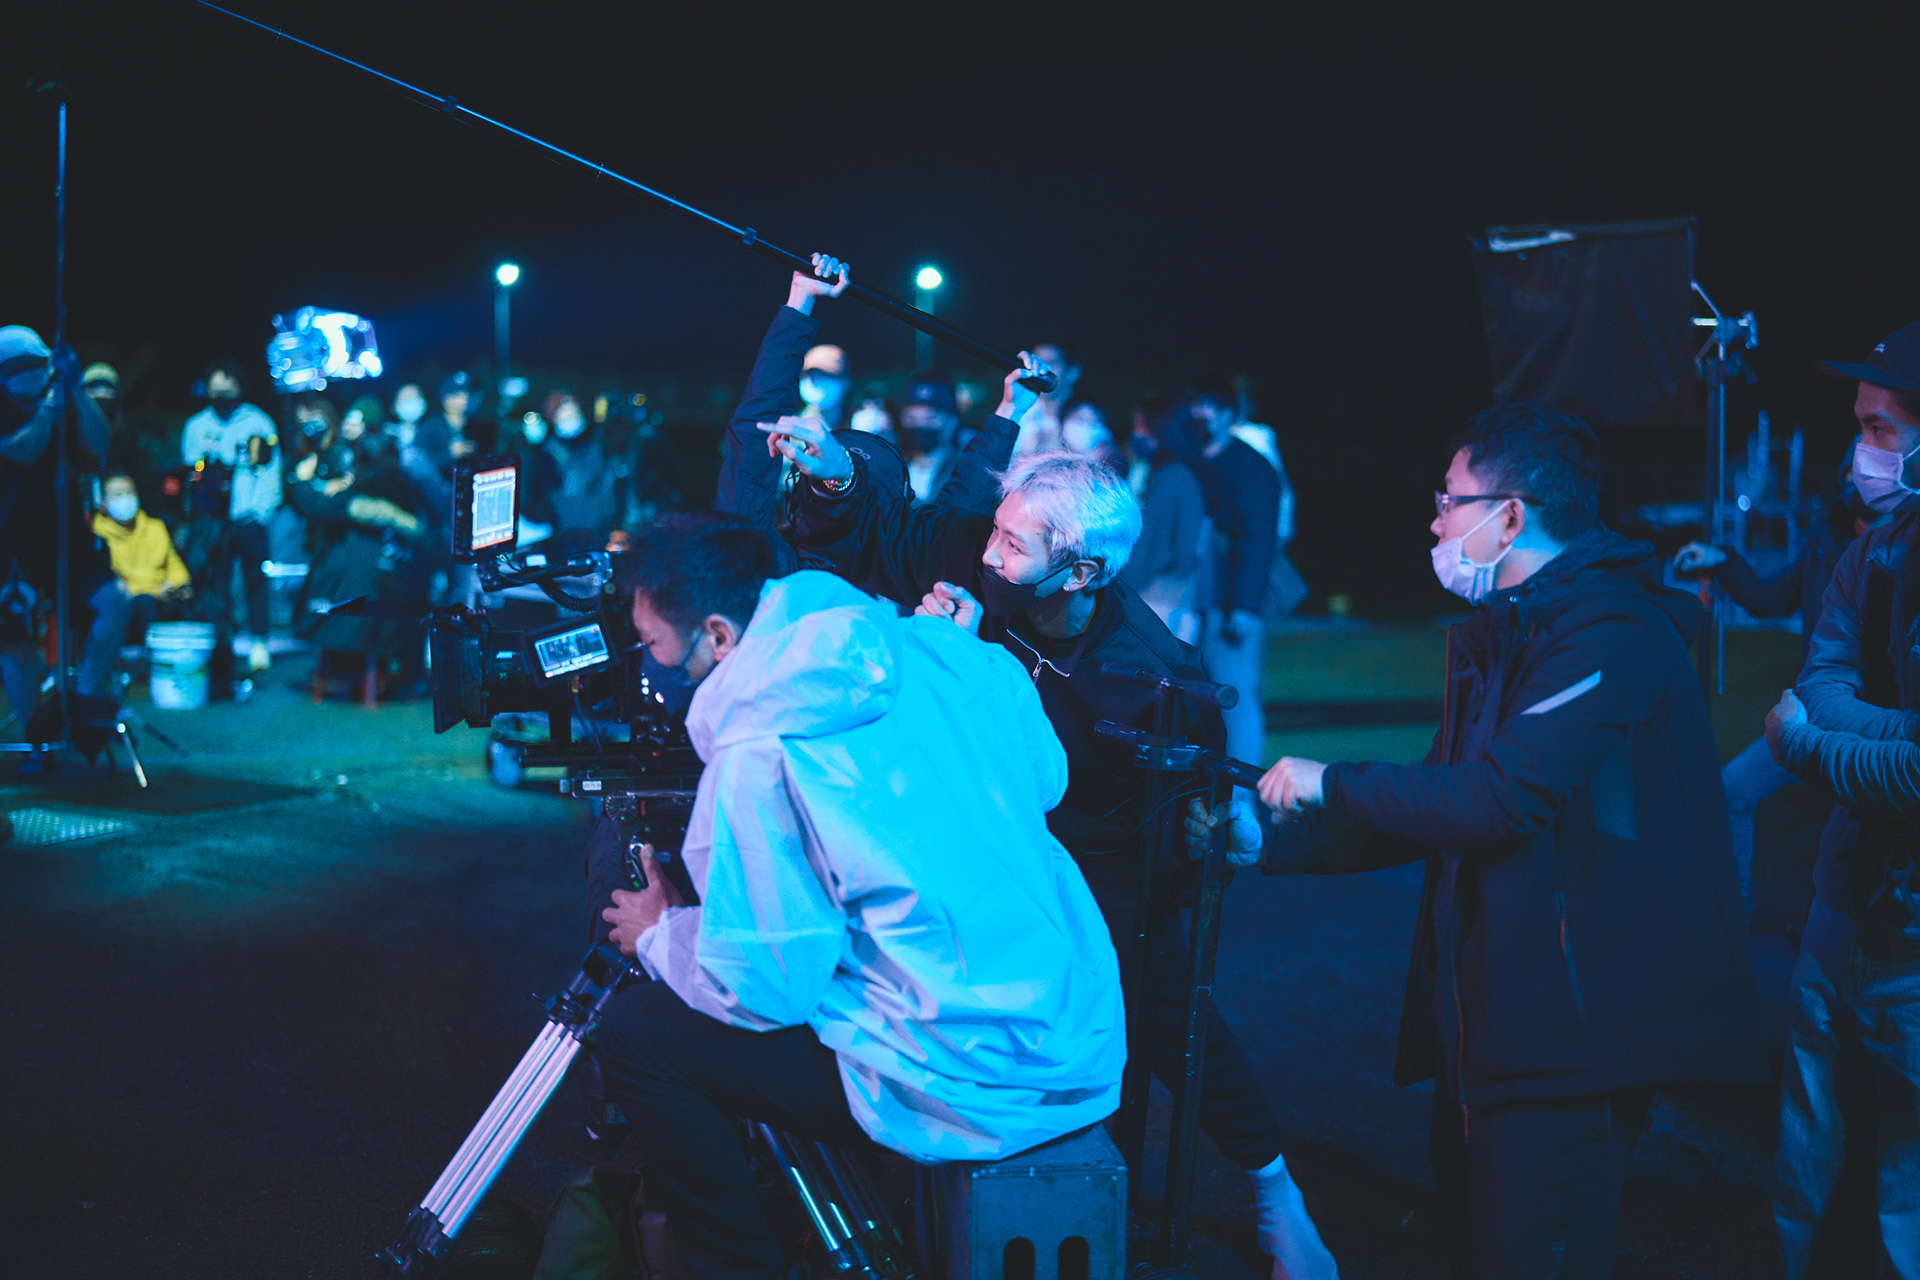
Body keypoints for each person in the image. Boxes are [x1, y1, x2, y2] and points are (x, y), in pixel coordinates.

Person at [774, 408, 1339, 1280]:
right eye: (996, 531)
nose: (991, 554)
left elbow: (1184, 830)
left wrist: (1208, 831)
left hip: (1096, 859)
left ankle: (1274, 1189)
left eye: (1015, 545)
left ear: (1081, 572)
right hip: (971, 837)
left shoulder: (1156, 676)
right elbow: (882, 535)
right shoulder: (975, 554)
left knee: (1160, 998)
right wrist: (835, 474)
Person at [1212, 401, 1767, 1279]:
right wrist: (1273, 846)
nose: (1435, 521)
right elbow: (1440, 797)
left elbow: (1499, 798)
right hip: (1498, 1023)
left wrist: (1331, 778)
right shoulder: (1509, 631)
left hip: (1573, 1034)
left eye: (1450, 498)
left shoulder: (1610, 633)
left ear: (1510, 516)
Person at [593, 517, 1126, 1280]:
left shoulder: (758, 753)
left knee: (639, 1031)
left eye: (653, 646)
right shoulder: (936, 647)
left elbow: (767, 988)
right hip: (1072, 1028)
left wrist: (660, 932)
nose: (649, 666)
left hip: (970, 1069)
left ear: (717, 635)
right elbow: (1048, 781)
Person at [1763, 321, 1920, 1278]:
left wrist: (1808, 746)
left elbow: (1812, 720)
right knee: (1805, 1155)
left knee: (1908, 1178)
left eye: (1878, 428)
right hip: (1843, 901)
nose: (1860, 450)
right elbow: (1819, 680)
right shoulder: (1872, 557)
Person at [714, 254, 1019, 585]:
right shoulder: (764, 565)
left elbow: (753, 440)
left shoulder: (911, 575)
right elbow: (960, 512)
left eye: (857, 481)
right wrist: (1010, 411)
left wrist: (799, 305)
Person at [1673, 458, 1877, 917]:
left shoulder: (1903, 551)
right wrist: (1723, 561)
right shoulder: (1823, 539)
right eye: (1851, 469)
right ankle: (1737, 917)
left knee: (1859, 831)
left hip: (1874, 721)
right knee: (1733, 789)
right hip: (1813, 708)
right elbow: (1771, 597)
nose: (1857, 477)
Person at [0, 325, 123, 728]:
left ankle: (84, 699)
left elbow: (100, 443)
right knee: (15, 635)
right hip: (12, 545)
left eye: (36, 364)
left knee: (114, 601)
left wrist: (76, 389)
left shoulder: (65, 401)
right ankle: (35, 733)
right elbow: (23, 450)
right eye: (17, 368)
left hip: (67, 537)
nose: (30, 374)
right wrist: (52, 403)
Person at [1187, 376, 1280, 767]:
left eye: (1209, 406)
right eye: (1196, 404)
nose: (1200, 414)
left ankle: (1242, 790)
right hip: (1193, 597)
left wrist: (1243, 608)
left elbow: (1258, 542)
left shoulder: (1252, 467)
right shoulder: (1188, 459)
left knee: (1234, 697)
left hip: (1227, 601)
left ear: (1228, 414)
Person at [180, 359, 281, 672]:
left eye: (228, 383)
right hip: (211, 521)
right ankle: (221, 643)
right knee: (214, 582)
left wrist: (261, 513)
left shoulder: (259, 423)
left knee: (255, 581)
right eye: (216, 384)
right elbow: (188, 476)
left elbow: (271, 472)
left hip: (248, 517)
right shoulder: (196, 426)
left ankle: (259, 641)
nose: (222, 390)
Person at [1119, 394, 1210, 644]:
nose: (1137, 434)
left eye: (1143, 426)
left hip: (1157, 597)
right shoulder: (1166, 473)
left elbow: (1165, 544)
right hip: (1154, 595)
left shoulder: (1173, 478)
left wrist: (1133, 582)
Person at [92, 471, 191, 656]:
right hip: (128, 608)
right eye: (117, 495)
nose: (125, 499)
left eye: (129, 492)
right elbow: (115, 580)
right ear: (103, 502)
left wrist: (176, 584)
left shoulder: (155, 528)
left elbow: (175, 566)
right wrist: (155, 590)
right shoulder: (98, 535)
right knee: (142, 604)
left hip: (162, 600)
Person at [1013, 339, 1083, 457]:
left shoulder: (1087, 420)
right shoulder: (1020, 417)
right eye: (1038, 363)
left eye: (1051, 363)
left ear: (1072, 372)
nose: (1042, 370)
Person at [797, 343, 850, 429]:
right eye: (810, 374)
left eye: (826, 375)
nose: (816, 379)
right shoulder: (788, 431)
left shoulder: (862, 428)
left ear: (845, 381)